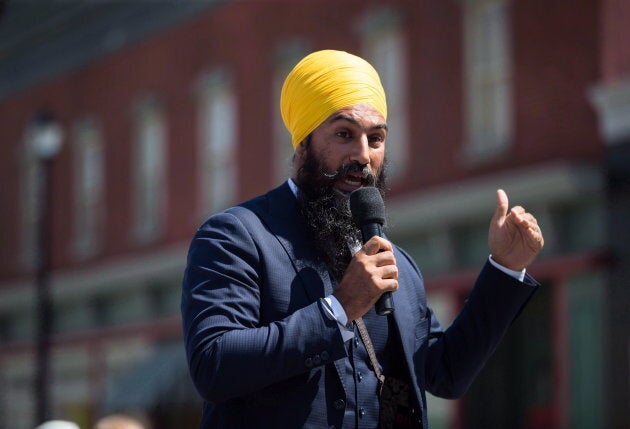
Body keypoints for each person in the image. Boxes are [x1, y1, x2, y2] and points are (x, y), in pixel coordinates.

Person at [181, 49, 544, 429]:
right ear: (302, 142)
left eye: (376, 138)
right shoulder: (237, 235)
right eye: (344, 134)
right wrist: (338, 308)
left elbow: (445, 373)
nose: (363, 154)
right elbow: (213, 365)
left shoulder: (395, 261)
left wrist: (506, 267)